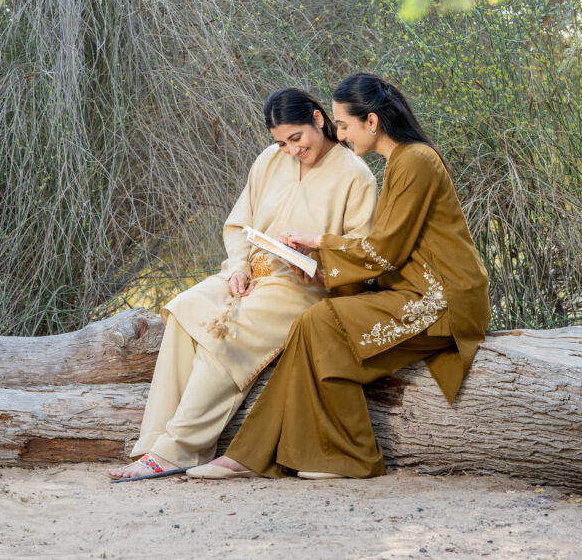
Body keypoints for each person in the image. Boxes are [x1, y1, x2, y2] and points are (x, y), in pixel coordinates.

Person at [186, 72, 491, 480]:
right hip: (413, 290)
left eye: (344, 125)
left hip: (443, 299)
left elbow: (385, 250)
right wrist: (323, 274)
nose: (341, 135)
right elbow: (387, 252)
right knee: (314, 323)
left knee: (321, 320)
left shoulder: (415, 161)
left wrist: (318, 241)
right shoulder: (402, 162)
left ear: (372, 122)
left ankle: (338, 455)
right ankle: (283, 454)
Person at [109, 86, 377, 481]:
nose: (291, 150)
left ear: (318, 120)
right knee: (184, 311)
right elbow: (238, 225)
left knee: (228, 332)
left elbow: (362, 253)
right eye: (282, 142)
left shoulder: (356, 176)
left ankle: (178, 448)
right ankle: (154, 443)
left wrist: (320, 268)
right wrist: (237, 267)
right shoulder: (269, 161)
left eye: (296, 138)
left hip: (301, 289)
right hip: (249, 275)